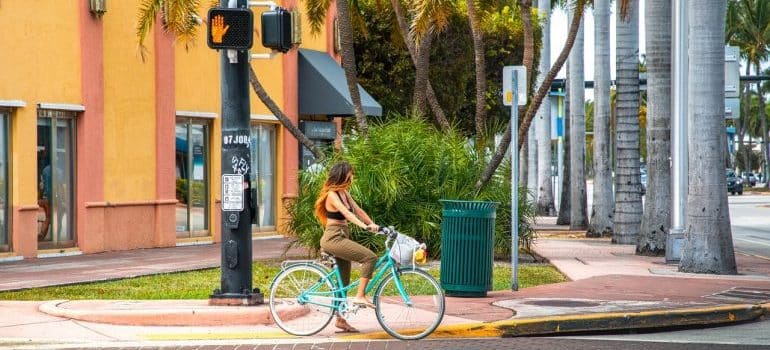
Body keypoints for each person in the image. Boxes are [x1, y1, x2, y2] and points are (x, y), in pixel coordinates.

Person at [314, 161, 379, 333]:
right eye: (350, 174)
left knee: (343, 281)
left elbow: (357, 210)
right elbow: (347, 213)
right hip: (333, 238)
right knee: (370, 257)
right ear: (343, 174)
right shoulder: (332, 195)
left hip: (342, 236)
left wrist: (373, 224)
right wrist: (363, 227)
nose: (352, 177)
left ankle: (340, 320)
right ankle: (360, 296)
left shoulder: (344, 192)